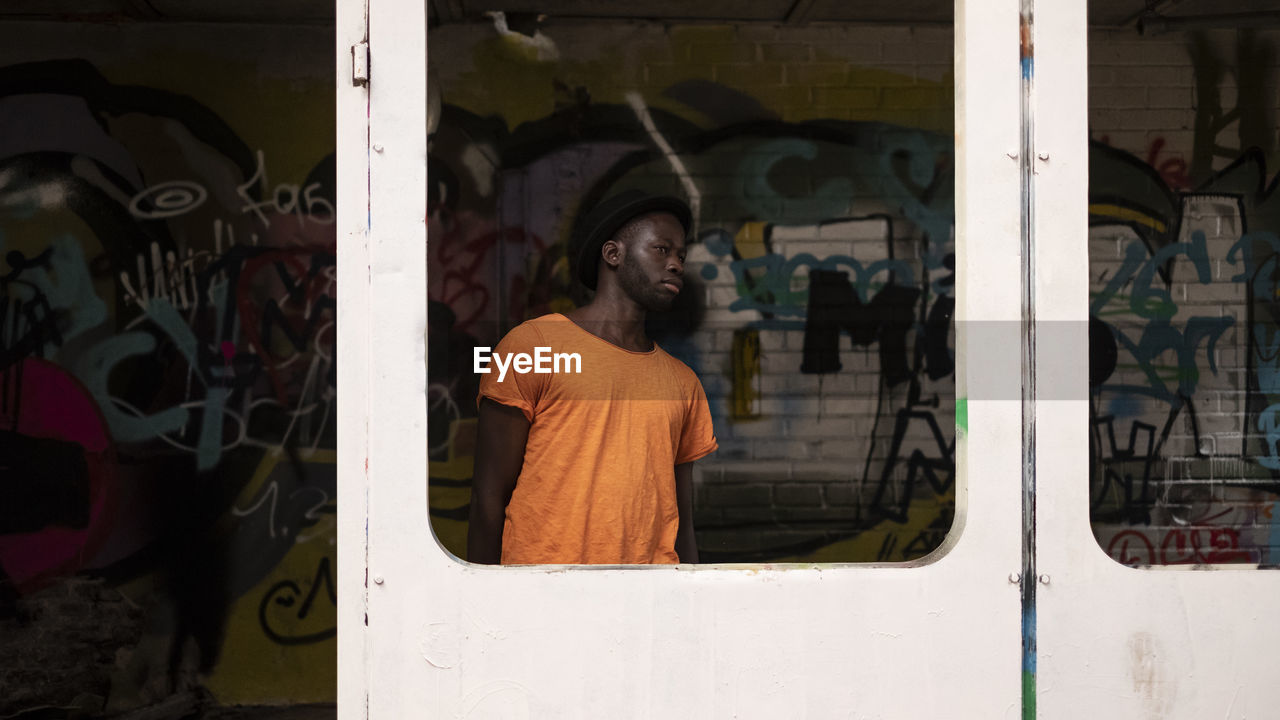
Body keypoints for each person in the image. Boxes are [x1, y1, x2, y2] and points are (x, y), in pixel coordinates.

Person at [467, 190, 718, 565]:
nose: (677, 264)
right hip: (543, 600)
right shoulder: (532, 348)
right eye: (661, 250)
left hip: (648, 605)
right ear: (613, 254)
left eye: (681, 255)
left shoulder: (683, 383)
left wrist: (690, 605)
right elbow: (489, 497)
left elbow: (683, 524)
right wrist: (483, 603)